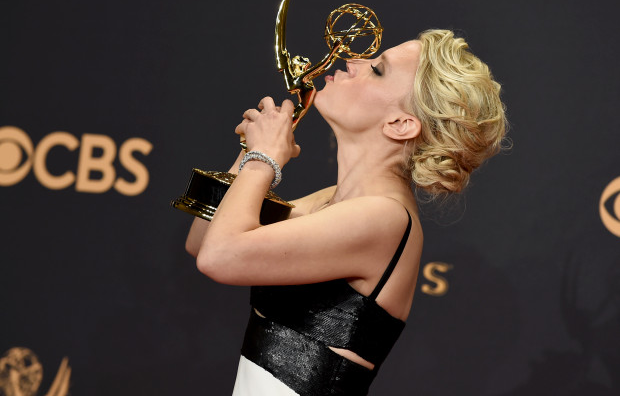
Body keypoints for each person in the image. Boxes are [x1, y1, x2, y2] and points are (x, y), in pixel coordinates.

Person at [185, 29, 507, 395]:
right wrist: (251, 150)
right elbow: (203, 240)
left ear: (401, 124)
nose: (353, 61)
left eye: (378, 69)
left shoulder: (384, 218)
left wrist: (264, 161)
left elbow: (219, 256)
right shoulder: (335, 200)